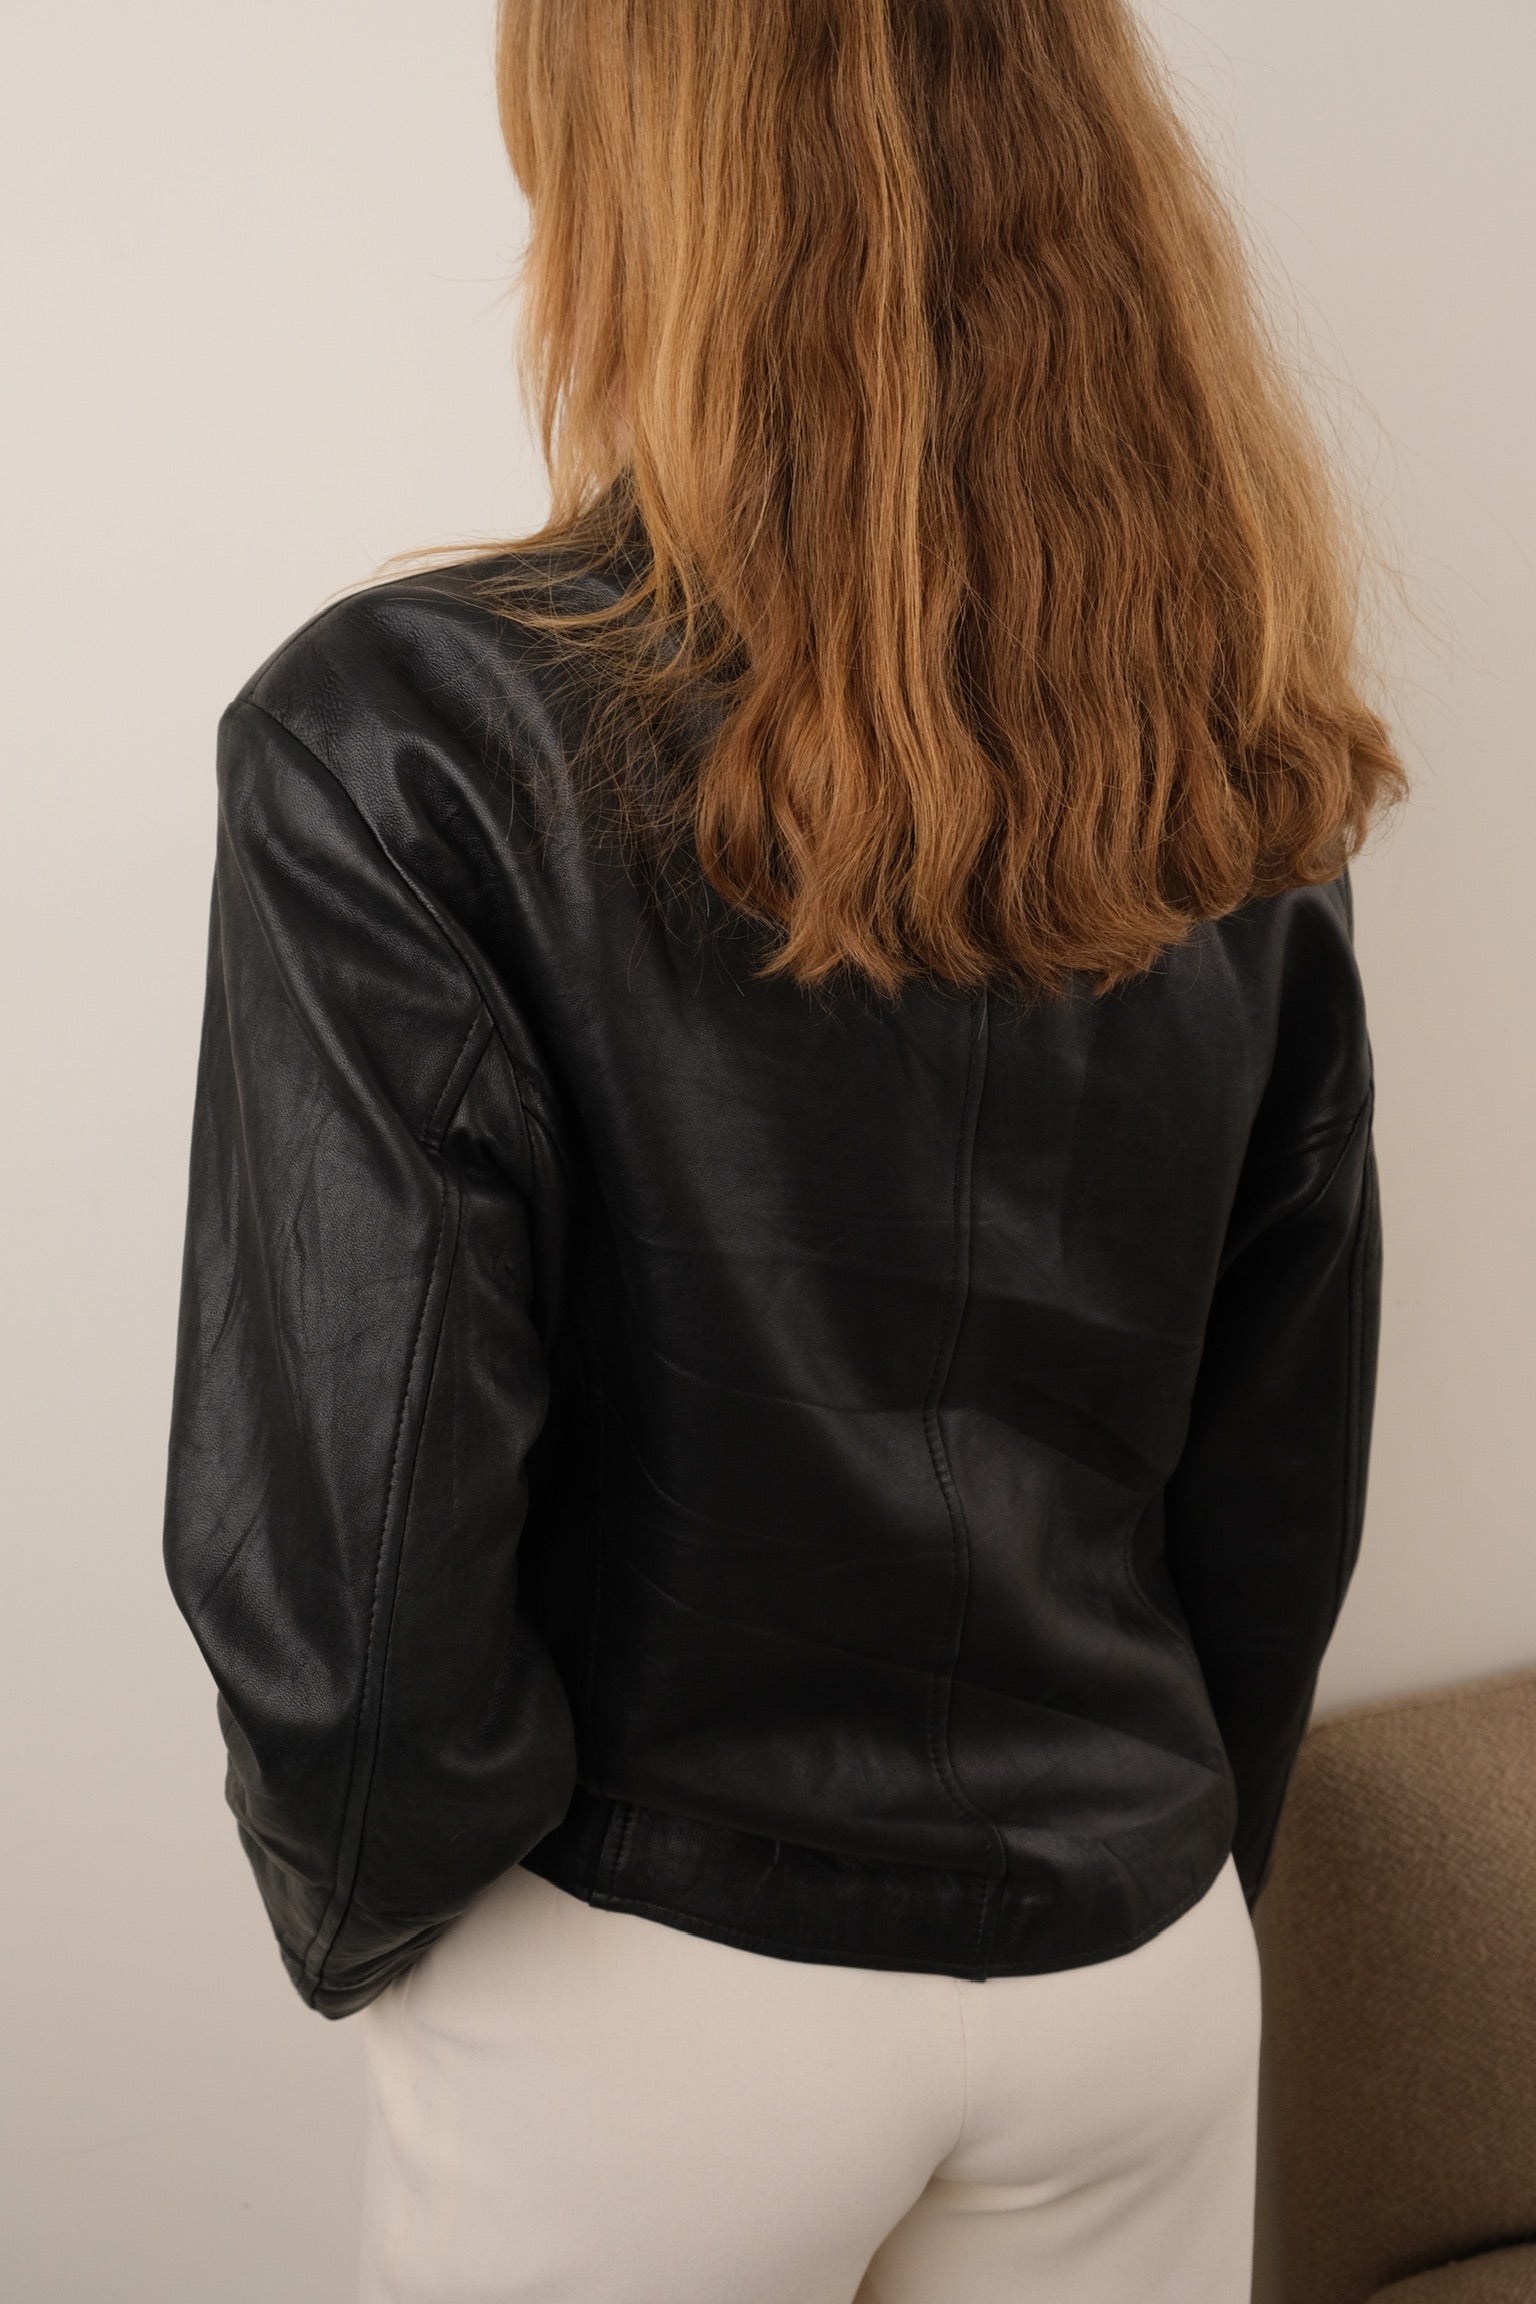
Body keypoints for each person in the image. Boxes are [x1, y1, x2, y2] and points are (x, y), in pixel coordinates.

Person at [161, 2, 1406, 2298]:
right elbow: (1280, 1462)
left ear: (633, 177)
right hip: (1130, 1968)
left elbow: (355, 1535)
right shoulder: (1223, 752)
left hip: (647, 1987)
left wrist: (407, 1923)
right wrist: (1158, 1859)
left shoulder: (404, 740)